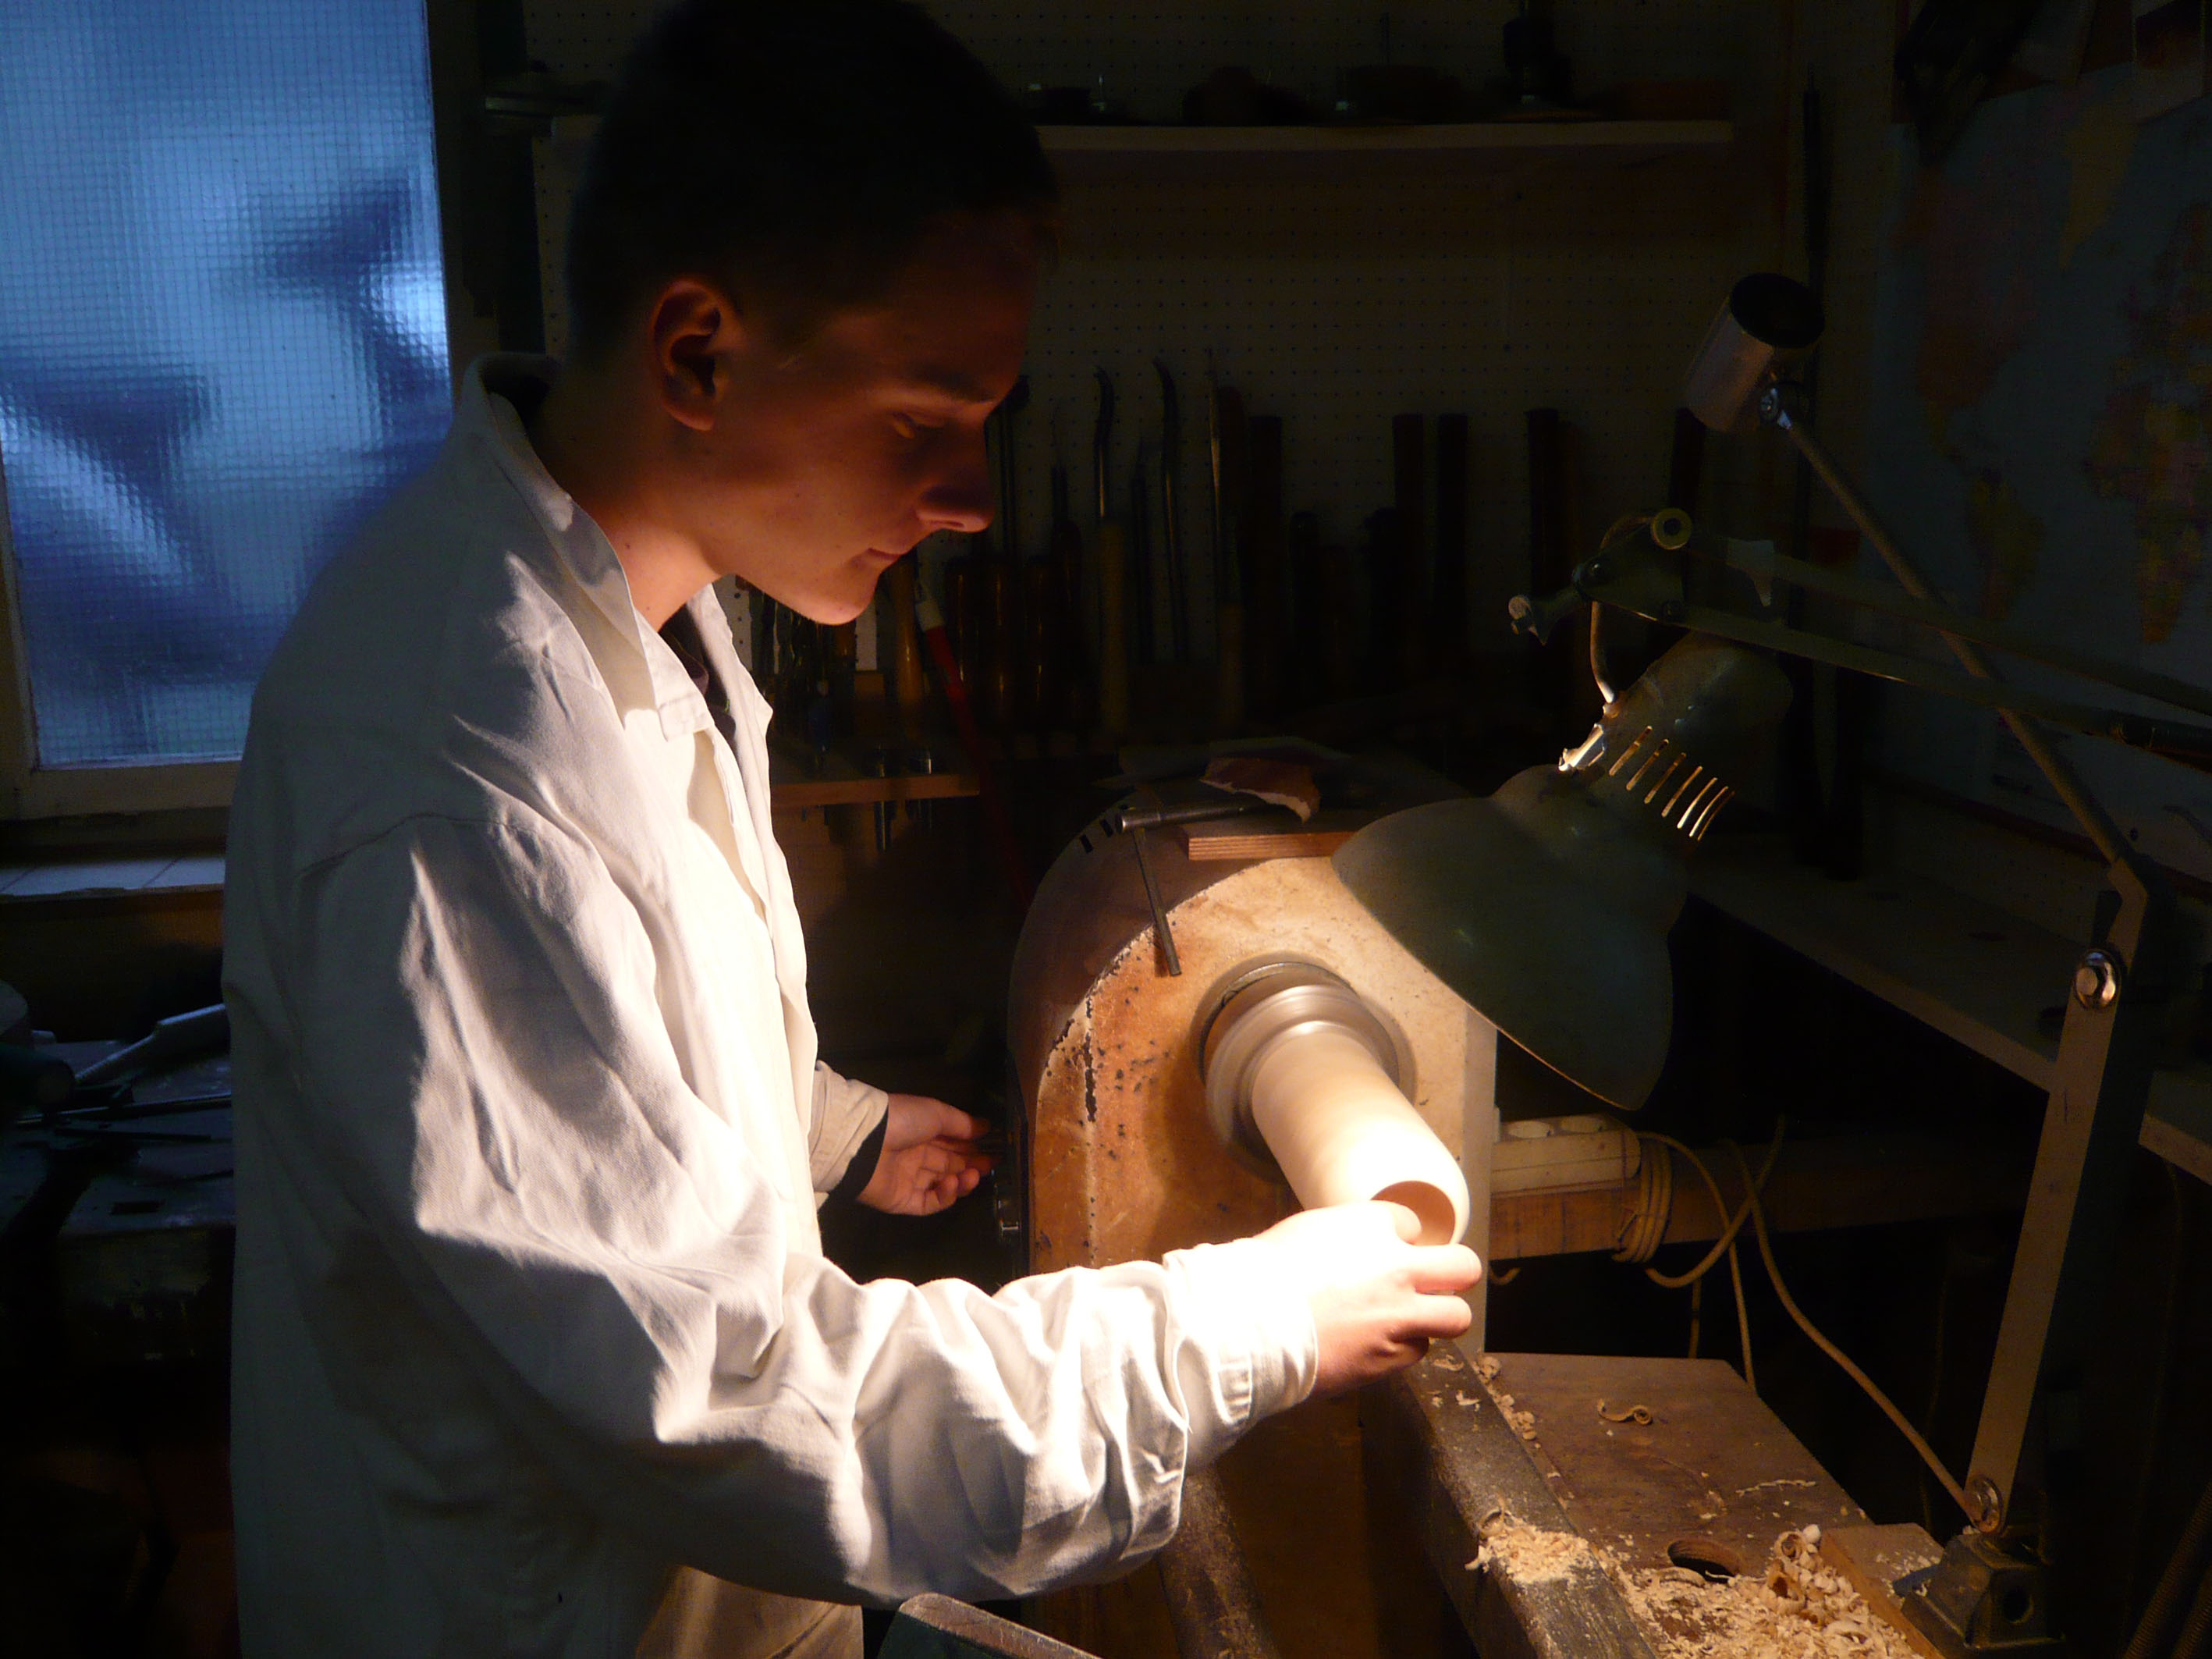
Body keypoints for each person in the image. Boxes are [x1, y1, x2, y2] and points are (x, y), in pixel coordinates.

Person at [222, 3, 1482, 1655]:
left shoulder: (647, 609)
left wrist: (834, 1128)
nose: (971, 499)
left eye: (985, 423)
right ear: (696, 353)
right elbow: (728, 1401)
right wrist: (1247, 1322)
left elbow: (602, 1022)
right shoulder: (446, 764)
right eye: (918, 420)